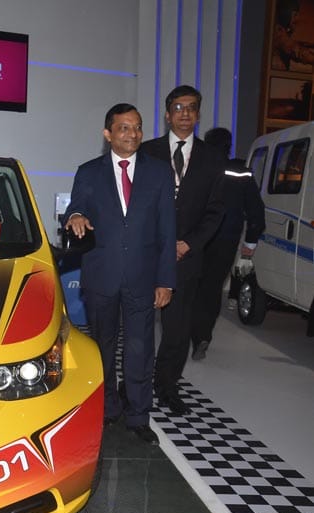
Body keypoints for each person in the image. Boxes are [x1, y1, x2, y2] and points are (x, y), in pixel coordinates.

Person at [64, 103, 177, 445]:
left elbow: (167, 230)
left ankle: (139, 417)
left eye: (138, 127)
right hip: (102, 275)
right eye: (125, 128)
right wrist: (76, 216)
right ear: (108, 133)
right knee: (101, 348)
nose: (133, 134)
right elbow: (76, 206)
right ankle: (106, 410)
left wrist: (165, 279)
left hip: (144, 277)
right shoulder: (89, 172)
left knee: (140, 349)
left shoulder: (159, 172)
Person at [141, 85, 225, 416]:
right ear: (167, 113)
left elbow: (216, 210)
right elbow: (136, 205)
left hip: (187, 257)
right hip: (147, 255)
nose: (185, 113)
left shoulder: (213, 158)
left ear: (198, 114)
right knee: (140, 327)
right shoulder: (146, 152)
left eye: (191, 108)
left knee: (177, 330)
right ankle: (135, 383)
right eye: (178, 107)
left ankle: (167, 385)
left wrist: (187, 243)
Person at [190, 127, 266, 360]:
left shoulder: (198, 169)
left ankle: (189, 333)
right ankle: (203, 336)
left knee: (192, 287)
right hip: (226, 240)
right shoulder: (242, 173)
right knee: (212, 289)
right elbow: (256, 212)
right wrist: (250, 244)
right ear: (229, 146)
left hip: (197, 239)